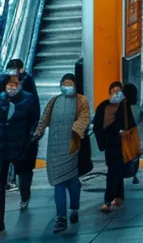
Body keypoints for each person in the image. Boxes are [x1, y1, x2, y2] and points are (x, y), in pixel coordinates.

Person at [34, 74, 89, 233]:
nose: (67, 86)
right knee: (58, 182)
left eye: (70, 83)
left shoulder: (81, 101)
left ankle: (74, 208)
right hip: (54, 148)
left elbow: (84, 118)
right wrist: (38, 133)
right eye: (64, 83)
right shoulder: (54, 101)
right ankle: (61, 217)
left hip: (71, 147)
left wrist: (74, 130)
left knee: (72, 181)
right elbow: (44, 119)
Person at [0, 74, 40, 231]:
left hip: (21, 147)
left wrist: (31, 139)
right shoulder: (2, 100)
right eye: (9, 83)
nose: (12, 86)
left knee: (23, 175)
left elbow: (34, 121)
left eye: (15, 83)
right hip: (2, 148)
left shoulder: (28, 99)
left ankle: (25, 195)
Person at [93, 81, 136, 213]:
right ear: (109, 93)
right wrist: (103, 143)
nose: (116, 93)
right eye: (113, 91)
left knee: (113, 172)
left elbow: (131, 125)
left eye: (118, 90)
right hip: (110, 145)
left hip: (122, 145)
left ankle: (108, 200)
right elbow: (97, 127)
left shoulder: (124, 106)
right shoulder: (103, 107)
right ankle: (118, 197)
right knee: (115, 171)